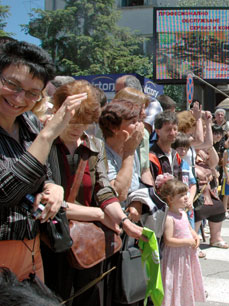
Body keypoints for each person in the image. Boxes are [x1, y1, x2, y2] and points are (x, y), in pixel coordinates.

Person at [44, 82, 144, 305]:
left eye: (85, 122)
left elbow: (103, 190)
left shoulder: (94, 145)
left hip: (86, 241)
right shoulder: (44, 143)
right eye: (73, 120)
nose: (77, 128)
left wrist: (124, 221)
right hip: (52, 241)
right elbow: (47, 201)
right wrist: (98, 215)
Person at [0, 41, 80, 282]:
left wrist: (52, 187)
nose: (19, 98)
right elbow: (5, 191)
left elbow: (44, 174)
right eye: (11, 84)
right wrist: (48, 135)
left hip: (31, 248)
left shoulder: (28, 124)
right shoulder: (42, 131)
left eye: (33, 93)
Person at [159, 178, 206, 306]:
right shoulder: (169, 217)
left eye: (186, 194)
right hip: (174, 256)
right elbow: (168, 240)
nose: (186, 197)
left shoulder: (183, 213)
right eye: (181, 195)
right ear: (170, 198)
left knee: (184, 280)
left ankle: (184, 301)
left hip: (185, 254)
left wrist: (195, 235)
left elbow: (189, 228)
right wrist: (187, 242)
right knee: (174, 281)